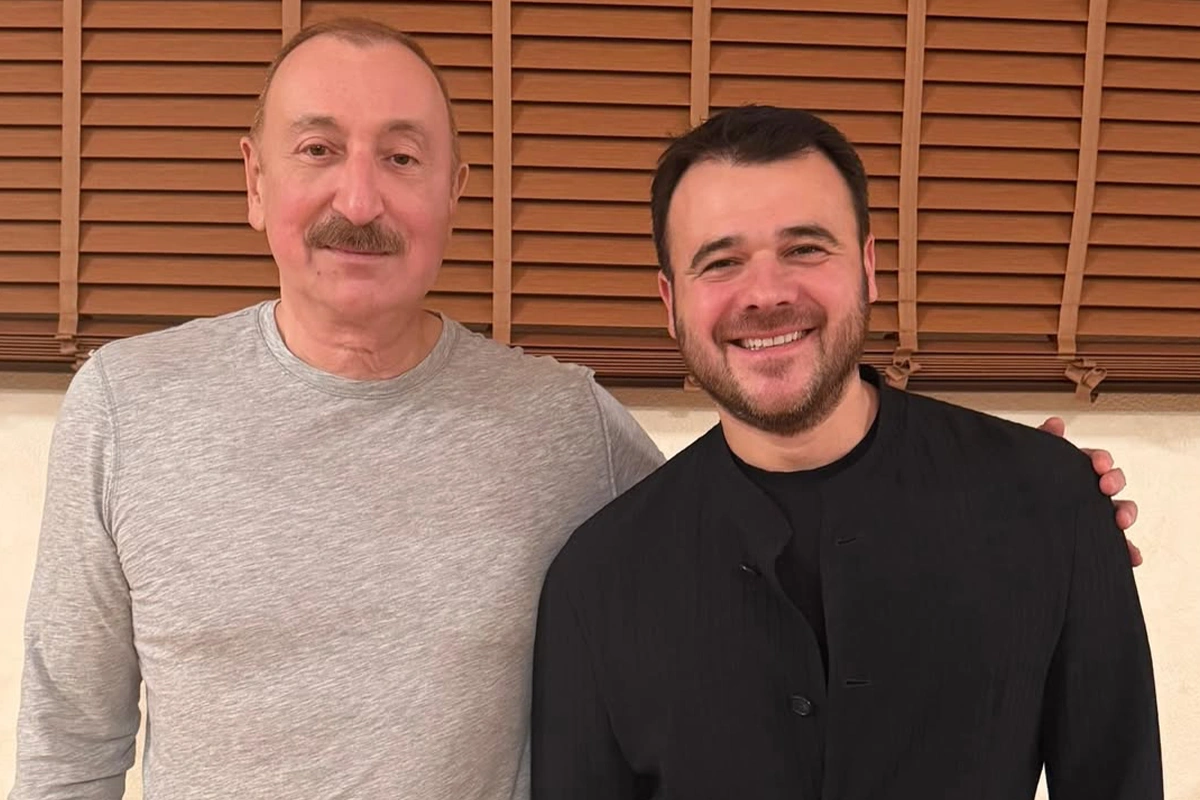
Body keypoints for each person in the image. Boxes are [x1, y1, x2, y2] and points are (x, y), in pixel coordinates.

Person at [10, 20, 1140, 800]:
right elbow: (69, 742)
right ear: (255, 181)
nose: (359, 196)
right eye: (318, 151)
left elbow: (744, 517)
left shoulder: (563, 426)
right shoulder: (127, 406)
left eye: (402, 156)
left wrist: (1034, 505)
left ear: (455, 192)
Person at [529, 106, 1162, 799]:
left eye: (805, 248)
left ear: (867, 267)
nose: (766, 294)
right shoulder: (595, 581)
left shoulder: (1051, 502)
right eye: (721, 262)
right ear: (670, 301)